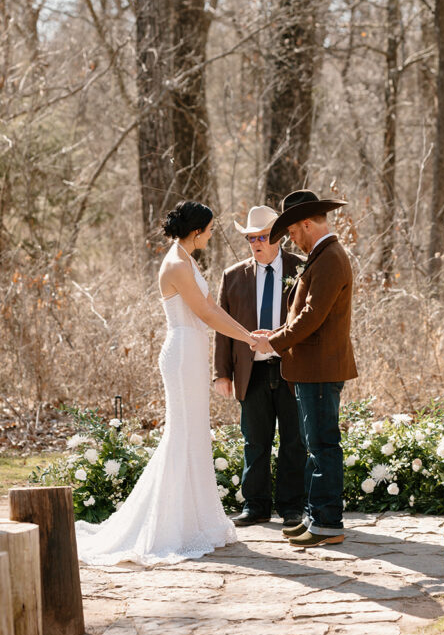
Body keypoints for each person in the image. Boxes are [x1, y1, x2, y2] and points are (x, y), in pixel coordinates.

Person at [76, 200, 263, 566]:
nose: (212, 234)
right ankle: (168, 527)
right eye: (209, 229)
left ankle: (196, 521)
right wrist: (247, 338)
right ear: (197, 231)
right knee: (181, 434)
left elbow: (213, 306)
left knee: (195, 433)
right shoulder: (177, 264)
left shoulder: (187, 259)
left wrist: (245, 331)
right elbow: (206, 313)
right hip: (181, 354)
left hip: (192, 351)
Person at [251, 189, 357, 549]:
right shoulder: (322, 255)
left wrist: (273, 343)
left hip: (321, 369)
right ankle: (317, 516)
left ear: (307, 224)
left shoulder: (329, 258)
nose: (291, 239)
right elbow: (307, 316)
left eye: (292, 232)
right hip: (314, 368)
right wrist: (277, 333)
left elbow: (313, 316)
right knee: (316, 445)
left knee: (324, 446)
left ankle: (327, 522)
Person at [214, 205, 306, 528]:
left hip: (290, 369)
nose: (256, 243)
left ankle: (292, 506)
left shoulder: (301, 269)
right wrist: (221, 373)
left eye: (262, 237)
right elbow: (222, 329)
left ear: (277, 237)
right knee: (255, 440)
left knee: (294, 440)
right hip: (250, 371)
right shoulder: (233, 276)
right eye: (251, 238)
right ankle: (256, 505)